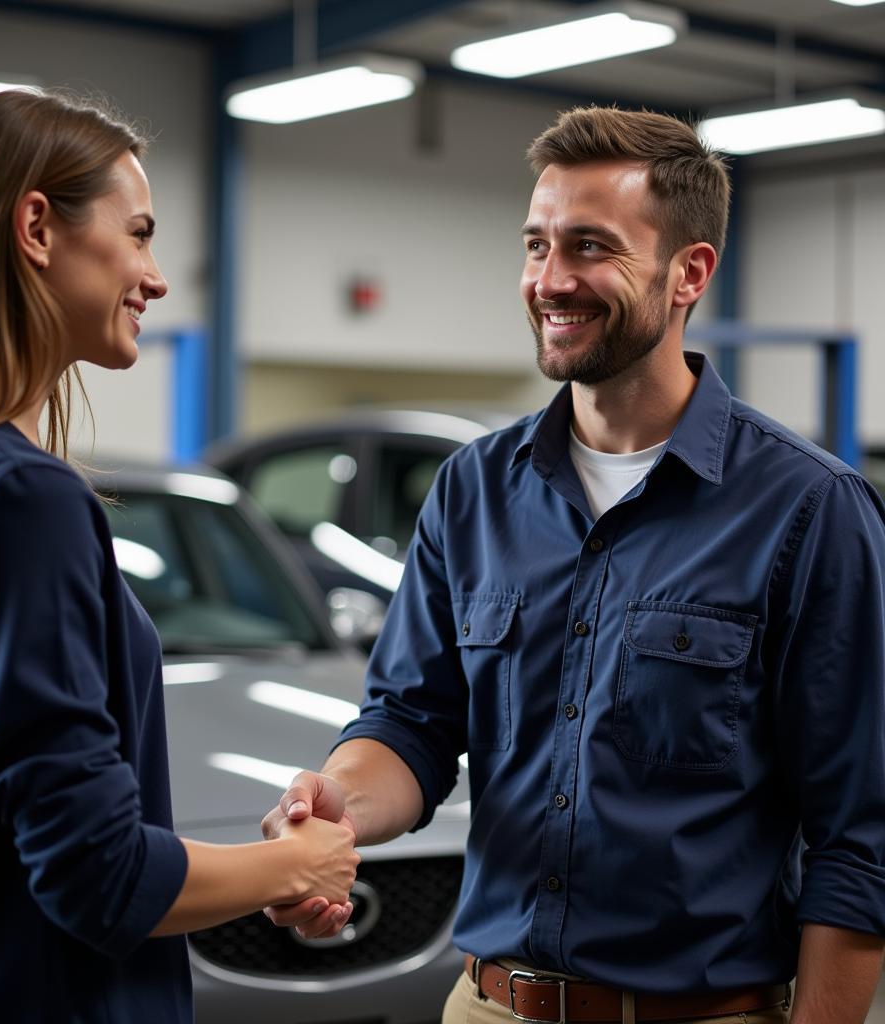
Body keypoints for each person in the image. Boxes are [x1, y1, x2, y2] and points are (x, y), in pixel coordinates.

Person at [261, 106, 885, 1024]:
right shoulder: (473, 489)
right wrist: (336, 805)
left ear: (689, 274)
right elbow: (414, 722)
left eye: (590, 247)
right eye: (536, 244)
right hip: (489, 1005)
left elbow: (860, 836)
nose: (550, 280)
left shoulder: (809, 511)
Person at [0, 88, 358, 1023]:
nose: (157, 276)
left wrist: (254, 875)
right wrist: (296, 862)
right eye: (137, 234)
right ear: (37, 228)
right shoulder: (18, 499)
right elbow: (97, 873)